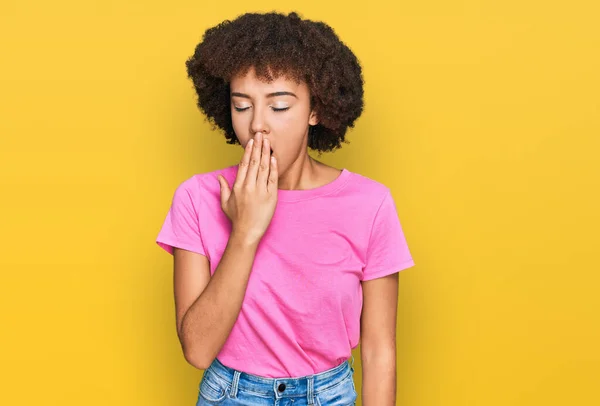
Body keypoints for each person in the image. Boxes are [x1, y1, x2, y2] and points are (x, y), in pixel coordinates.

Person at [156, 11, 415, 406]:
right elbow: (197, 350)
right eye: (242, 106)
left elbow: (379, 352)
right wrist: (244, 232)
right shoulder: (197, 197)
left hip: (329, 396)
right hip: (231, 396)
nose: (258, 124)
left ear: (315, 110)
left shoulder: (370, 204)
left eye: (278, 107)